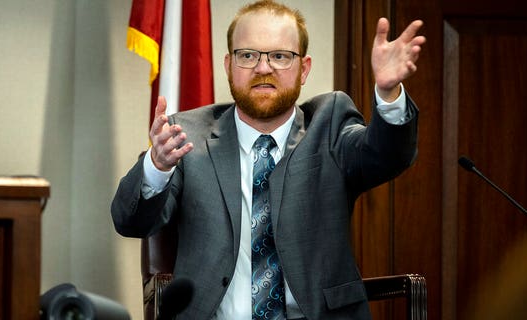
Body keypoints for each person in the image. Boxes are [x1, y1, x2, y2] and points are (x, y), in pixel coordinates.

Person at [111, 0, 425, 319]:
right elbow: (130, 221)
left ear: (304, 69)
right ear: (228, 65)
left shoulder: (328, 126)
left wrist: (388, 95)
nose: (263, 69)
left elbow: (387, 156)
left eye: (280, 56)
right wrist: (157, 166)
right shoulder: (188, 136)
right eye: (248, 55)